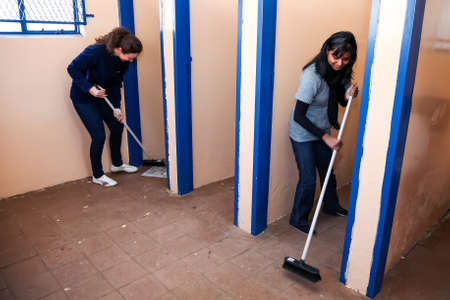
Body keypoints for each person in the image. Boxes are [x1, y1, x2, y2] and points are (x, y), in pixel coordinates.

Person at [288, 31, 359, 234]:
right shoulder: (312, 76)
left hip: (322, 129)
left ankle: (331, 205)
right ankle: (298, 219)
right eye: (336, 57)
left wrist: (348, 94)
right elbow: (299, 116)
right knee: (309, 179)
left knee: (328, 173)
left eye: (345, 59)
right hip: (303, 132)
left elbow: (341, 101)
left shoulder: (340, 71)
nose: (339, 63)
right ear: (327, 51)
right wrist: (326, 137)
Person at [67, 27, 143, 187]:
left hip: (104, 97)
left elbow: (115, 84)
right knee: (99, 135)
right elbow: (72, 68)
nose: (130, 61)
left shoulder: (122, 61)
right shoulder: (95, 52)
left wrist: (116, 107)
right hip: (84, 98)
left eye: (132, 59)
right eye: (129, 58)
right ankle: (98, 175)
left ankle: (117, 164)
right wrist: (90, 88)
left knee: (117, 126)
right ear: (120, 49)